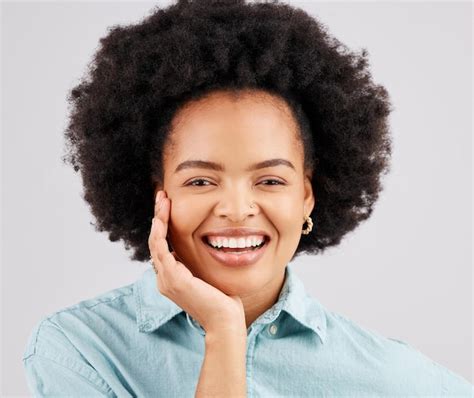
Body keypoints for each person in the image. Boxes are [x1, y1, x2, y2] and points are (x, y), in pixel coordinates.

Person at [22, 0, 473, 396]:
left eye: (271, 181)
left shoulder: (387, 376)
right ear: (159, 196)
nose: (237, 210)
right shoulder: (81, 350)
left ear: (308, 198)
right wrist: (222, 332)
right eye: (200, 181)